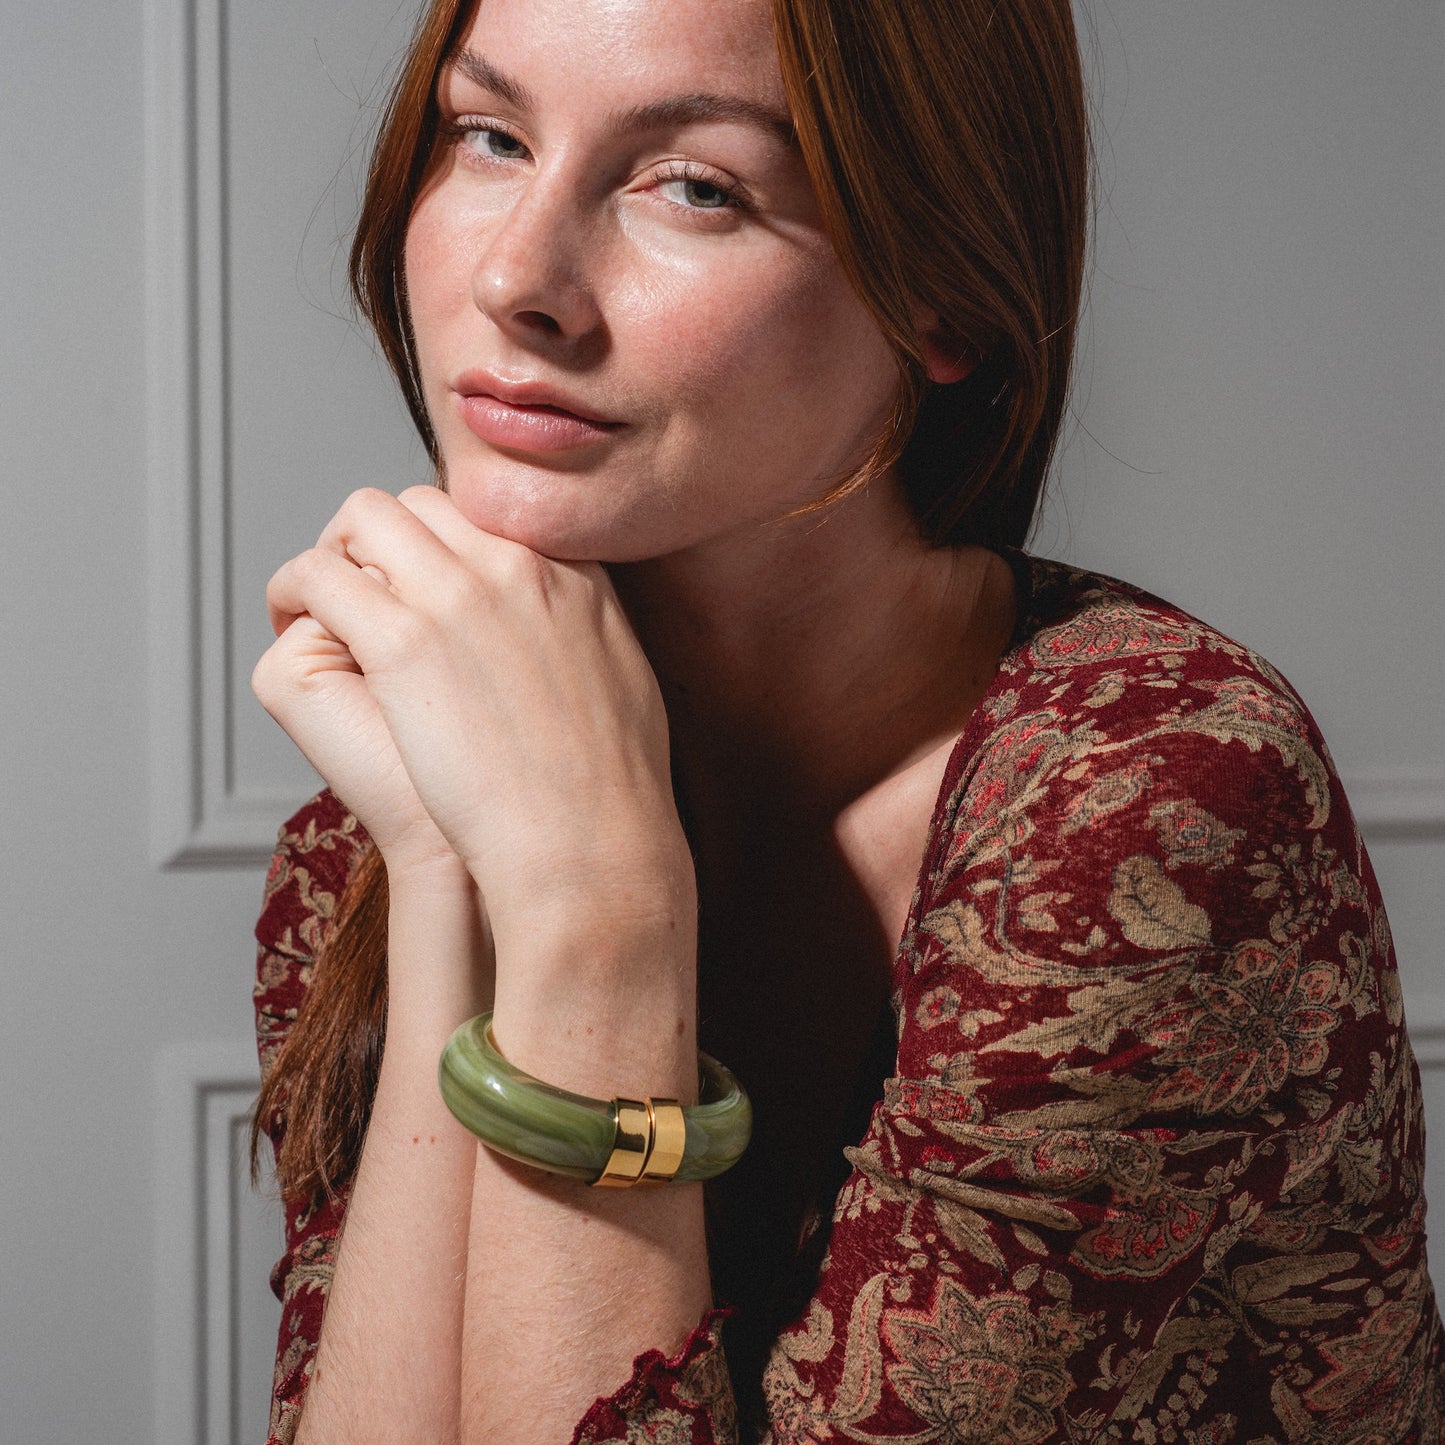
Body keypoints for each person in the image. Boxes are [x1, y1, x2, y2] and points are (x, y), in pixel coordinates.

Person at [248, 0, 1443, 1439]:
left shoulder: (1151, 794)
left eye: (694, 185)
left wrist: (593, 904)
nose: (516, 276)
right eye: (488, 135)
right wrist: (448, 865)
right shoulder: (395, 798)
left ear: (937, 290)